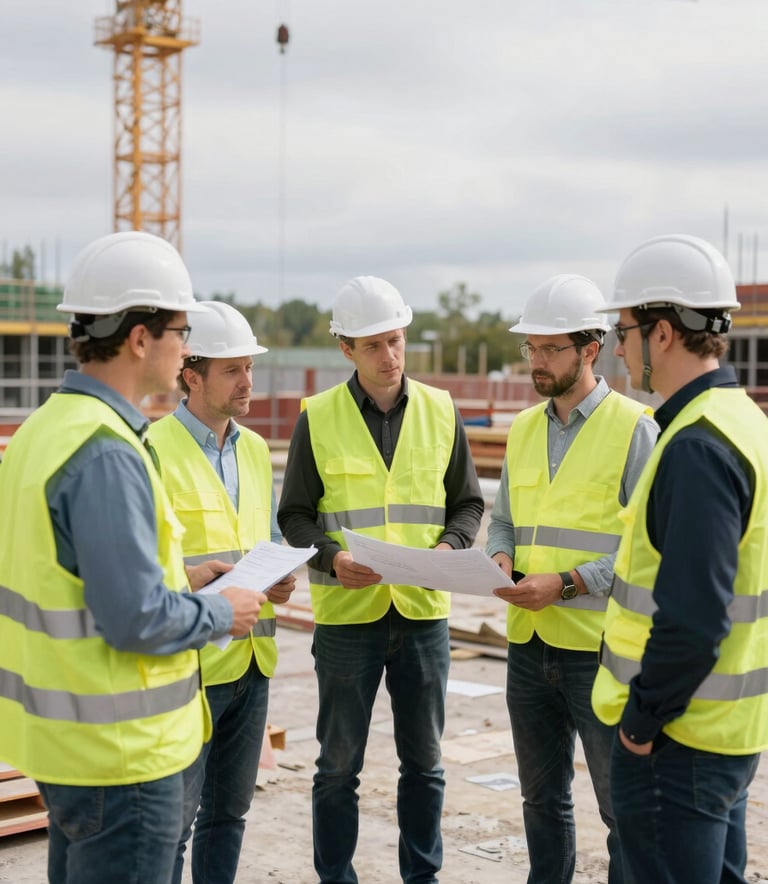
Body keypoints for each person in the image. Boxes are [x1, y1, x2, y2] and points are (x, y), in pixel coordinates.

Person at [0, 231, 267, 884]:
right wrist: (218, 611)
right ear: (140, 338)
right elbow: (136, 620)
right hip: (124, 762)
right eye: (180, 330)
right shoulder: (108, 451)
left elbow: (73, 582)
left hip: (65, 751)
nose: (185, 348)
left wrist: (182, 578)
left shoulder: (43, 430)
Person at [277, 275, 484, 883]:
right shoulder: (318, 418)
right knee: (338, 767)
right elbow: (294, 516)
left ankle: (422, 877)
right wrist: (331, 559)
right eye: (373, 346)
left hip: (423, 616)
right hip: (348, 619)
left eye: (395, 341)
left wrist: (450, 547)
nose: (389, 357)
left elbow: (467, 504)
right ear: (347, 349)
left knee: (425, 766)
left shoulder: (442, 410)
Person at [591, 234, 768, 884]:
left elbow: (694, 618)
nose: (617, 343)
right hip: (726, 732)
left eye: (625, 328)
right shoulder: (743, 420)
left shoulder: (696, 447)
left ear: (661, 333)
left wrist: (640, 724)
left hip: (677, 740)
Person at [486, 274, 659, 884]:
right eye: (530, 348)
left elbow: (647, 551)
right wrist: (501, 559)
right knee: (541, 803)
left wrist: (564, 583)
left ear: (592, 348)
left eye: (550, 349)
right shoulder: (526, 428)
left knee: (623, 811)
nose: (536, 361)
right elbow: (503, 519)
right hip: (528, 647)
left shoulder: (634, 428)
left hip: (600, 652)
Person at [147, 300, 297, 884]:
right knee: (175, 822)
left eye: (249, 368)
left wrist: (280, 575)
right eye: (233, 370)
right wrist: (189, 576)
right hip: (192, 667)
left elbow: (265, 536)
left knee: (229, 814)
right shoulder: (153, 449)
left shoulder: (256, 450)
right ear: (192, 375)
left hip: (253, 661)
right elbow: (144, 564)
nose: (248, 382)